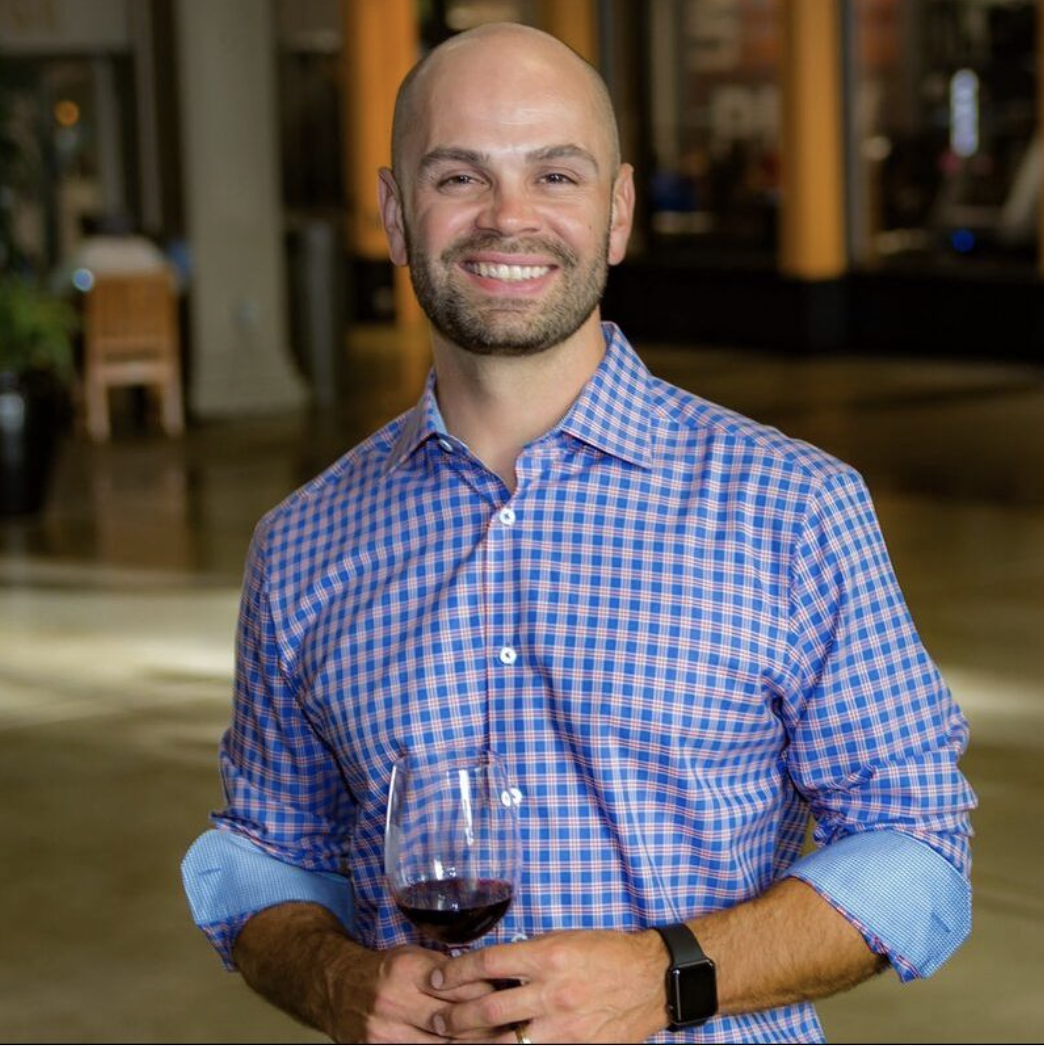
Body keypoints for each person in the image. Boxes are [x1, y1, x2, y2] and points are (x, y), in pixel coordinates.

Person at [182, 23, 975, 1044]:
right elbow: (268, 851)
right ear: (394, 213)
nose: (508, 217)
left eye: (555, 174)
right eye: (459, 176)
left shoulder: (791, 509)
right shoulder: (301, 544)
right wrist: (332, 976)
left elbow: (916, 847)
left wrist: (665, 976)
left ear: (618, 212)